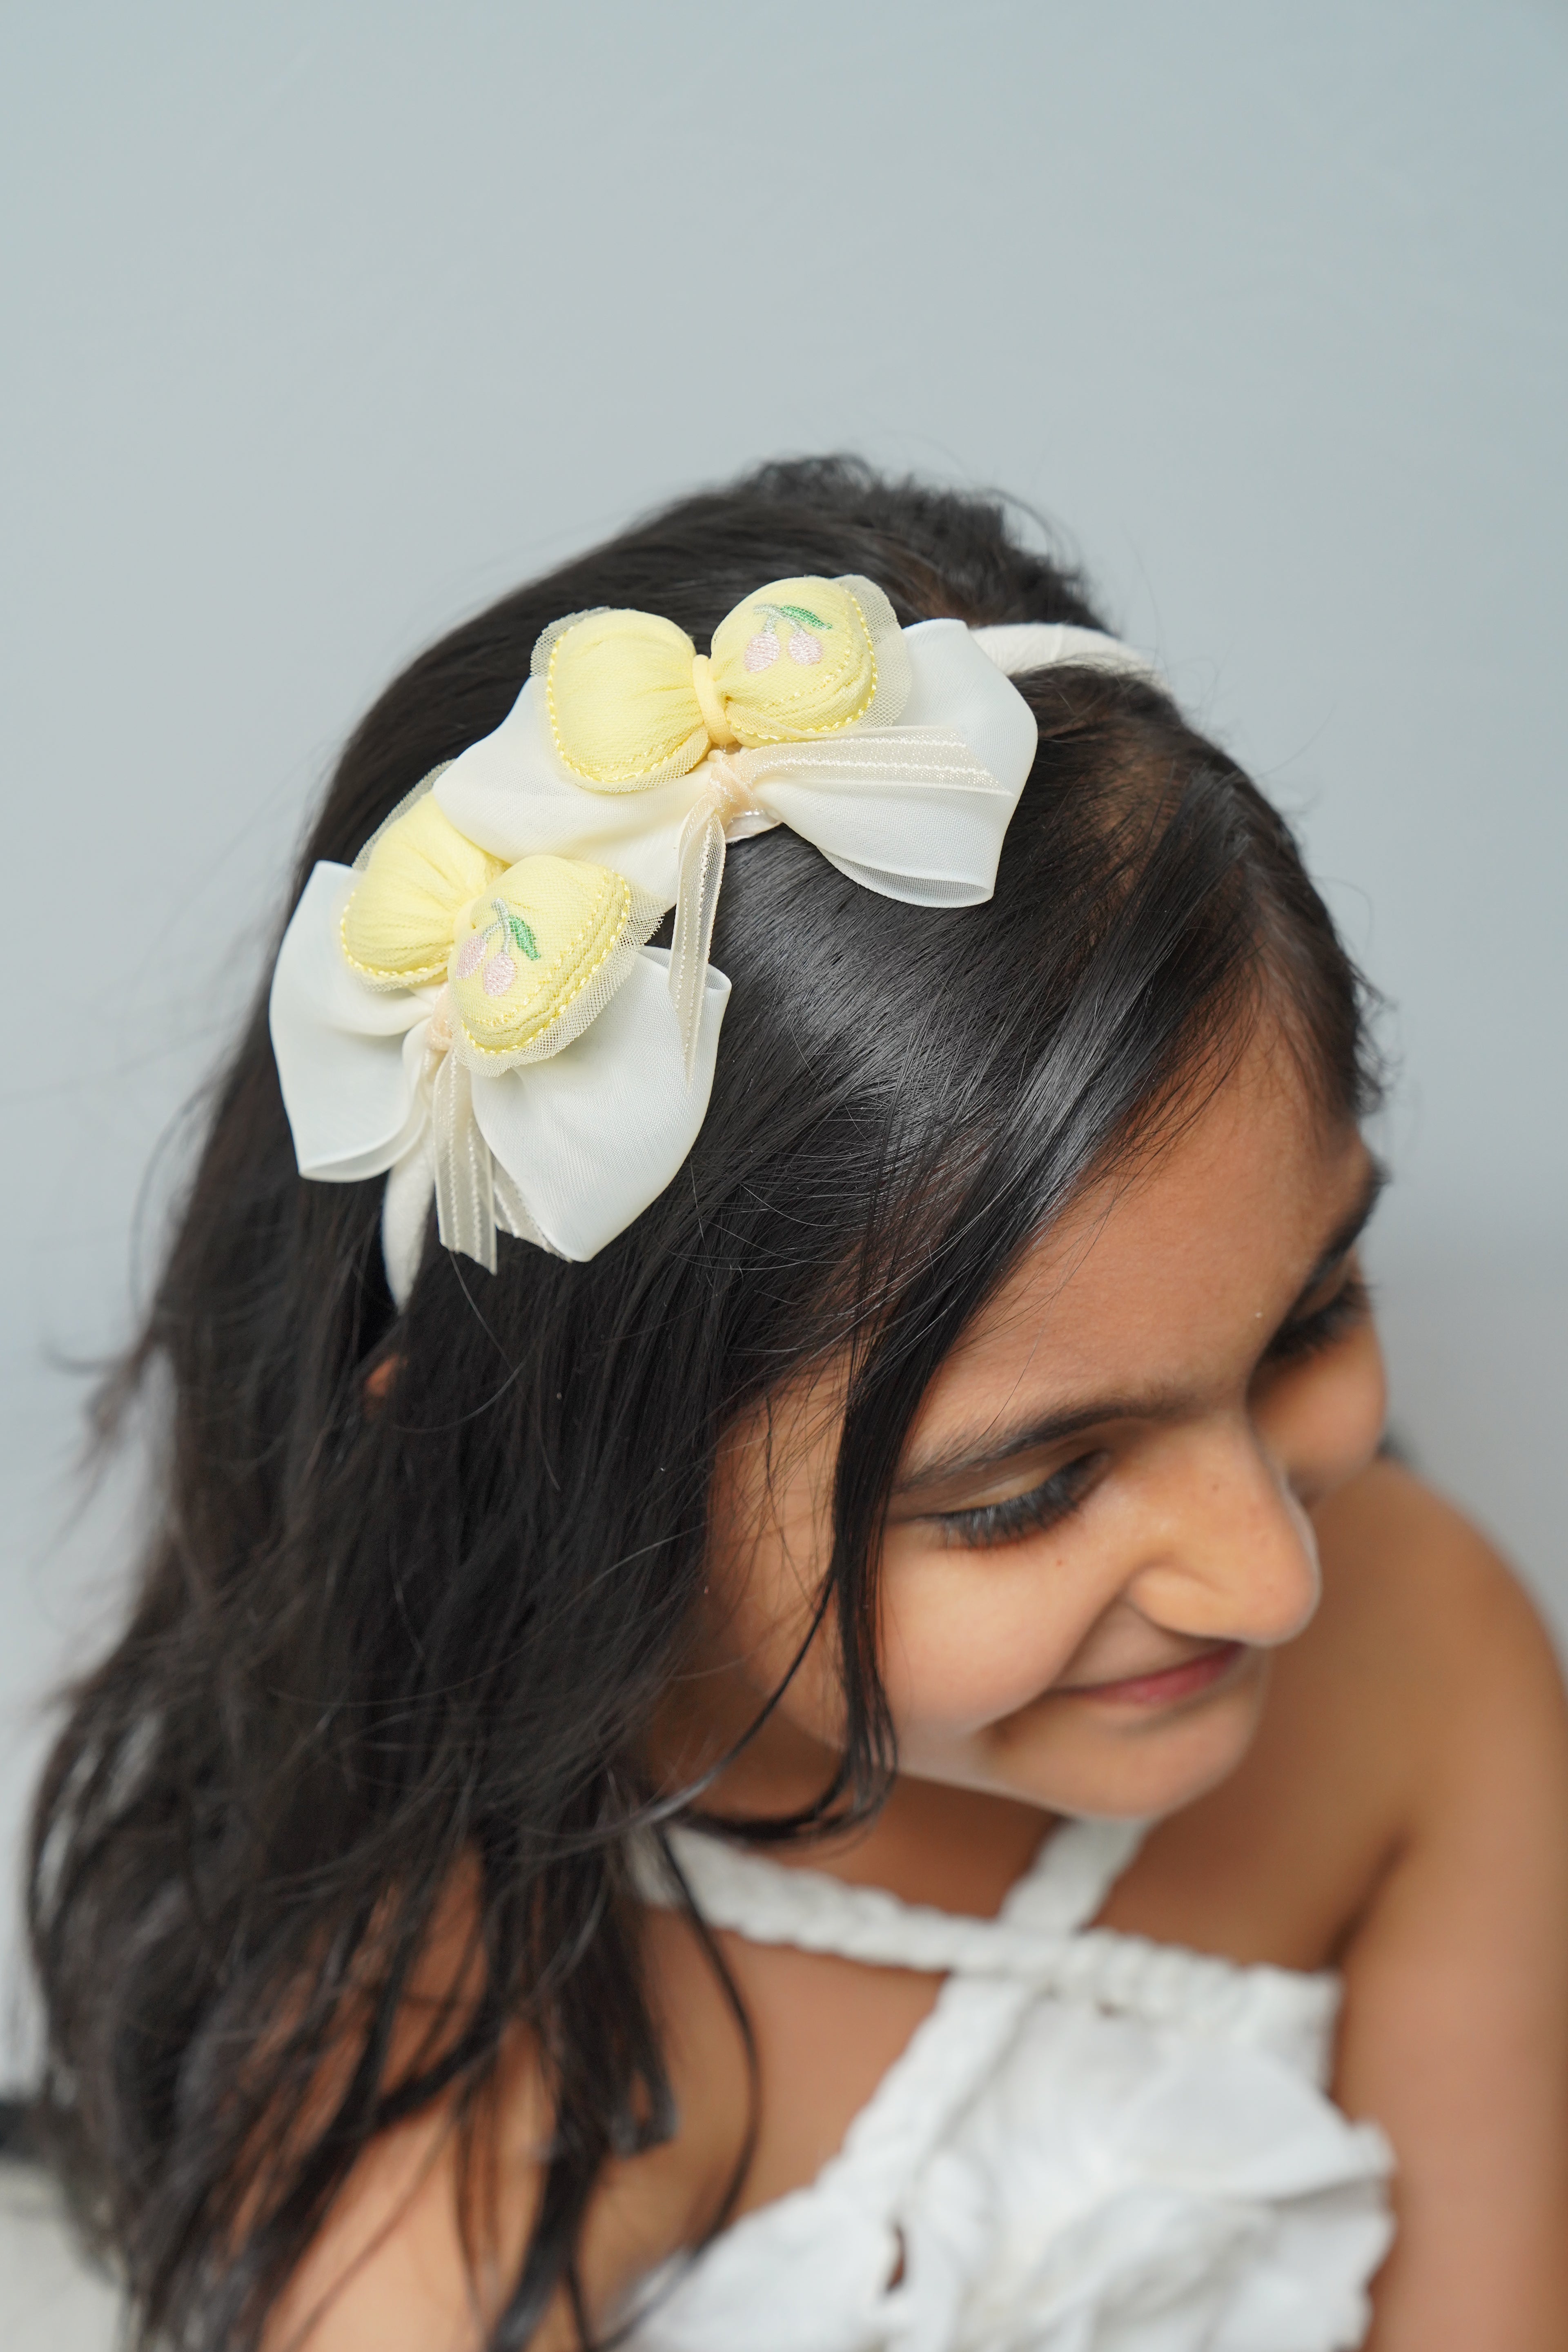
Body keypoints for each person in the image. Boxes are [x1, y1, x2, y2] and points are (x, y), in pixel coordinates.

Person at [27, 458, 1568, 2352]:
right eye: (1024, 1493)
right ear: (533, 1486)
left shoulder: (1417, 1658)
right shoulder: (463, 2045)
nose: (1273, 1579)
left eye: (1311, 1320)